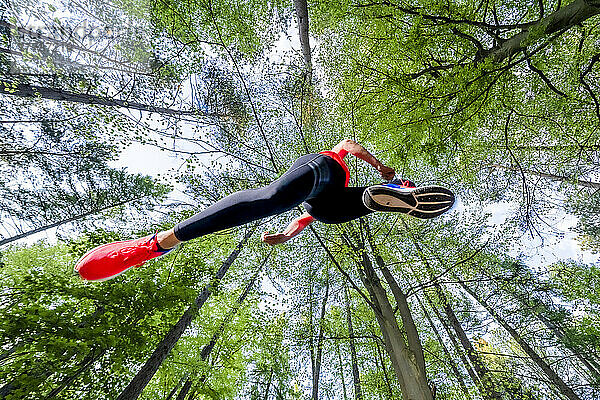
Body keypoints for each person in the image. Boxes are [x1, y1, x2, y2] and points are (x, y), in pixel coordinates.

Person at [75, 139, 454, 281]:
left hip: (324, 195)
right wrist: (378, 164)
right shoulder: (333, 155)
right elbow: (349, 144)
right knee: (279, 199)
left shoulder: (330, 184)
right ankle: (389, 192)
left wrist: (287, 234)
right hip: (321, 169)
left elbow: (308, 217)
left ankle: (383, 197)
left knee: (322, 211)